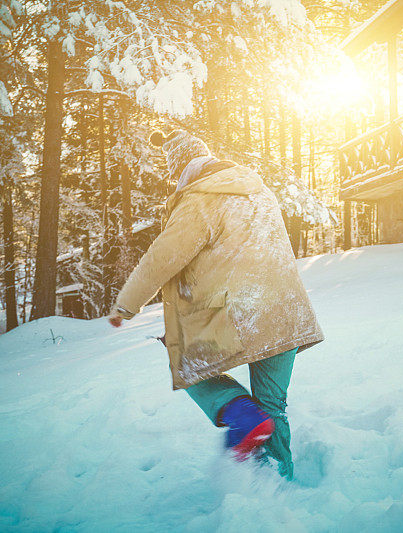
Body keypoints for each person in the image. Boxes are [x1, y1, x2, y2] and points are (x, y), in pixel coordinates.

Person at [108, 130, 324, 479]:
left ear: (182, 170)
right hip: (285, 311)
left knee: (189, 368)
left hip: (240, 315)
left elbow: (161, 260)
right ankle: (280, 483)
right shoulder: (259, 191)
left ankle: (242, 416)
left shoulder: (200, 200)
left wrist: (126, 306)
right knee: (273, 406)